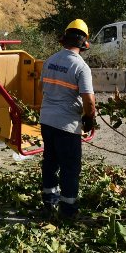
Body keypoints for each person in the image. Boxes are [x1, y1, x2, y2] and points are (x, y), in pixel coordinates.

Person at [39, 19, 96, 220]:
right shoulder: (81, 67)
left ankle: (49, 201)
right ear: (84, 43)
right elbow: (89, 100)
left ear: (64, 39)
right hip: (67, 125)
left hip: (46, 121)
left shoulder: (49, 61)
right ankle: (68, 209)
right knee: (70, 167)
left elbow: (42, 89)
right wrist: (90, 119)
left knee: (50, 161)